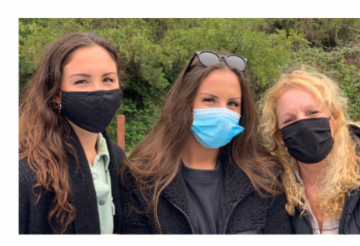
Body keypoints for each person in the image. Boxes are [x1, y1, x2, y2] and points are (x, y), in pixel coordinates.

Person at [120, 52, 291, 234]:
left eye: (233, 103)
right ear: (184, 103)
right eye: (209, 100)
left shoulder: (265, 178)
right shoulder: (140, 179)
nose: (223, 112)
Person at [19, 32, 126, 235]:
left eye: (108, 79)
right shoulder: (26, 170)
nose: (99, 91)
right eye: (81, 82)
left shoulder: (118, 158)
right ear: (57, 94)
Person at [260, 70, 360, 235]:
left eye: (313, 113)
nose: (303, 124)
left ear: (334, 119)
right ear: (280, 136)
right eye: (289, 120)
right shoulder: (271, 189)